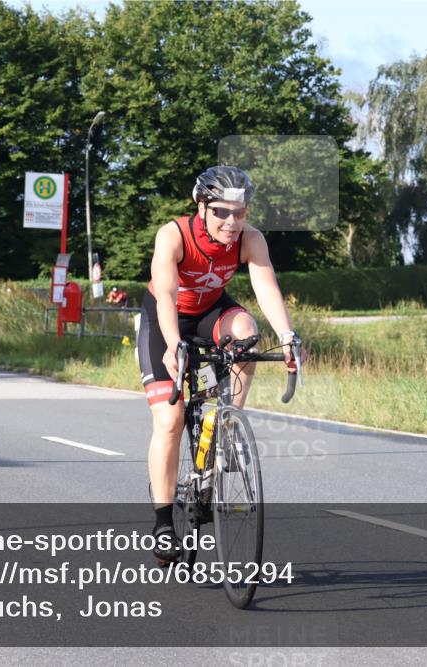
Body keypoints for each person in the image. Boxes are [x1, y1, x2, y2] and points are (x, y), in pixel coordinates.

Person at [136, 165, 306, 565]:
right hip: (166, 319)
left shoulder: (250, 240)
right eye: (222, 213)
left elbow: (266, 287)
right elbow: (165, 292)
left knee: (247, 332)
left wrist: (287, 337)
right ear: (201, 207)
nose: (232, 222)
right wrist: (173, 344)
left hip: (213, 313)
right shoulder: (173, 235)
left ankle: (228, 422)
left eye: (240, 213)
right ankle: (163, 523)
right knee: (170, 421)